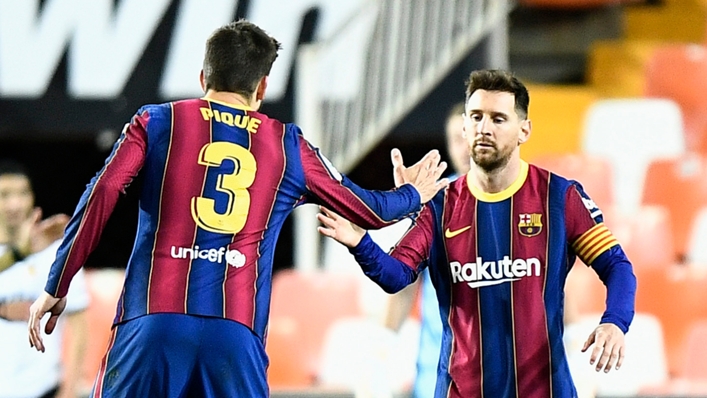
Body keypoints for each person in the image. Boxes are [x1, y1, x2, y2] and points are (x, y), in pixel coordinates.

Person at [27, 20, 448, 398]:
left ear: (202, 76)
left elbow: (101, 193)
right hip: (236, 335)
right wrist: (412, 194)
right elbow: (371, 210)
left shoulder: (156, 122)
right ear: (262, 88)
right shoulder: (287, 146)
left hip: (152, 322)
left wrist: (57, 282)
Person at [317, 69, 637, 398]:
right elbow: (396, 276)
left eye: (499, 119)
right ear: (466, 127)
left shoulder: (559, 197)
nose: (484, 128)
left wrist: (615, 320)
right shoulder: (438, 207)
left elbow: (617, 266)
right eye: (476, 118)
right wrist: (360, 241)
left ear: (524, 130)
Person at [383, 101, 470, 398]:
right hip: (438, 374)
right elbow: (405, 284)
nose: (465, 148)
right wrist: (384, 348)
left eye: (469, 136)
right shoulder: (433, 201)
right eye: (456, 139)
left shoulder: (523, 202)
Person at [0, 160, 89, 398]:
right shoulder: (11, 258)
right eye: (5, 195)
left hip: (45, 389)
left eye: (22, 193)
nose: (15, 204)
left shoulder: (55, 253)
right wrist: (19, 254)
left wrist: (70, 388)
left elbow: (79, 323)